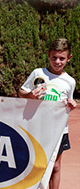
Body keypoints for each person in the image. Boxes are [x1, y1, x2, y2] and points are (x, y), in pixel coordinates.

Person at [18, 38, 77, 189]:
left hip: (59, 130)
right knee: (33, 163)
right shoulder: (38, 73)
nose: (57, 61)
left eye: (62, 58)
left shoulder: (70, 81)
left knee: (56, 167)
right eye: (54, 57)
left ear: (68, 58)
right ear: (48, 55)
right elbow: (21, 92)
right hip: (37, 128)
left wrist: (72, 105)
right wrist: (30, 96)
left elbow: (68, 104)